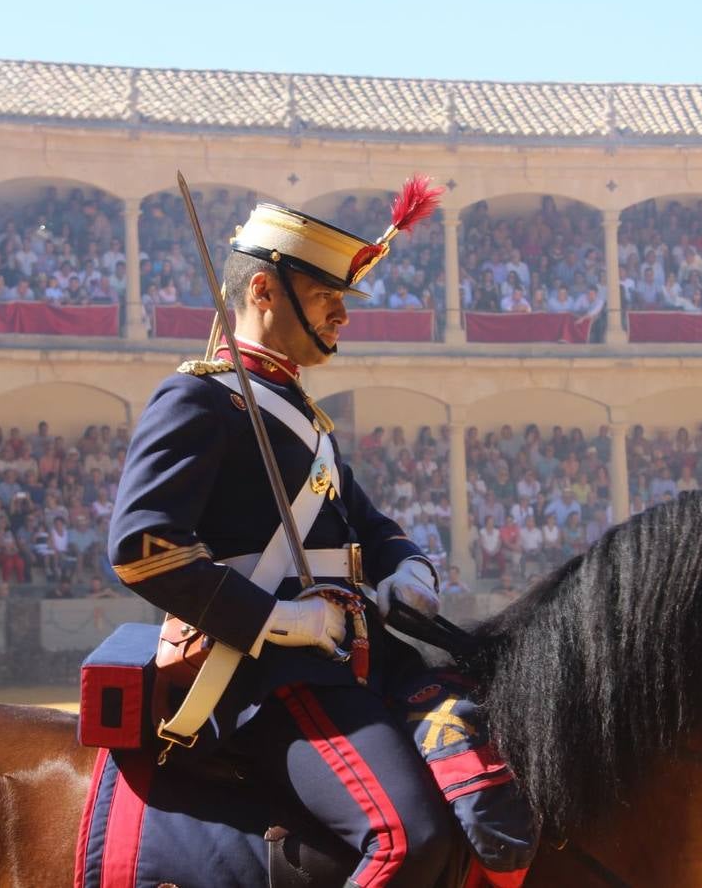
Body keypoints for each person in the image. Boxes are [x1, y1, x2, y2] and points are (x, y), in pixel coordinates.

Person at [108, 189, 453, 886]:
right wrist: (277, 618)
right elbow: (142, 546)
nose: (342, 312)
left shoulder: (306, 419)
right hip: (268, 674)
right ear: (263, 289)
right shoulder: (200, 397)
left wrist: (409, 568)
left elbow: (366, 523)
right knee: (410, 840)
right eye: (325, 293)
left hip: (352, 657)